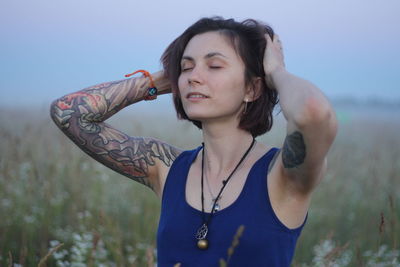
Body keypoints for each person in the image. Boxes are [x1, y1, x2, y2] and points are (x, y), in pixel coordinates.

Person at [50, 17, 337, 267]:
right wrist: (162, 79)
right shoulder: (165, 167)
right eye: (186, 68)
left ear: (252, 88)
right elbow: (68, 113)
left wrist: (274, 71)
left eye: (213, 65)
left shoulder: (283, 175)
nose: (194, 78)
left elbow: (312, 111)